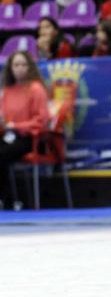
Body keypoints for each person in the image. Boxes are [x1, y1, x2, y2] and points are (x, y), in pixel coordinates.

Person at [0, 52, 49, 209]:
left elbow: (41, 121)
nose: (20, 68)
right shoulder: (6, 90)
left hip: (30, 138)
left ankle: (5, 199)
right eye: (16, 65)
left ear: (30, 67)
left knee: (2, 154)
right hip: (8, 135)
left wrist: (16, 126)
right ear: (10, 68)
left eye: (23, 64)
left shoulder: (36, 89)